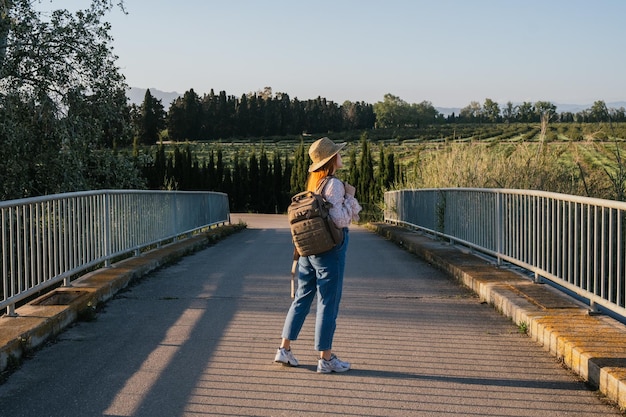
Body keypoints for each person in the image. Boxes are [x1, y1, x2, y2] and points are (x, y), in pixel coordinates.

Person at [274, 137, 362, 373]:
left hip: (307, 250)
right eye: (338, 153)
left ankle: (284, 349)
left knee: (302, 298)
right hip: (330, 250)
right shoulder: (334, 184)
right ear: (332, 159)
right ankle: (326, 358)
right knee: (328, 302)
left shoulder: (314, 183)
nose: (341, 156)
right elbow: (340, 219)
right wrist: (350, 200)